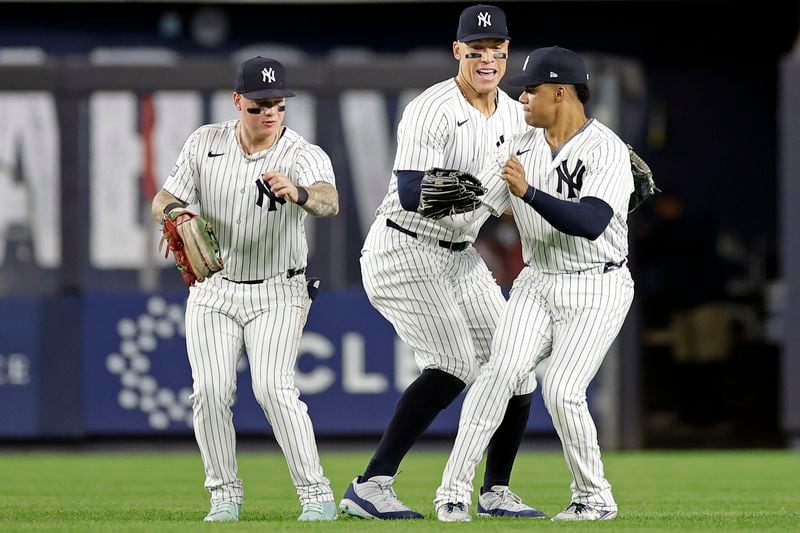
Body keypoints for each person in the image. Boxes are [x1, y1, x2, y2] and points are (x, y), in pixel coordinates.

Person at [338, 4, 545, 522]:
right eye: (475, 52)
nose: (486, 61)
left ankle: (495, 491)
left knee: (518, 372)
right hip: (404, 249)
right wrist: (453, 195)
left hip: (460, 256)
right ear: (458, 51)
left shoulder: (517, 114)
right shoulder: (431, 108)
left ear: (506, 53)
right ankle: (371, 485)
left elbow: (539, 168)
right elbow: (409, 191)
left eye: (495, 52)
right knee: (452, 364)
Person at [432, 45, 635, 521]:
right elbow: (481, 203)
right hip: (538, 281)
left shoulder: (606, 148)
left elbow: (590, 222)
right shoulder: (520, 146)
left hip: (596, 285)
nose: (521, 97)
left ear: (560, 92)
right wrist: (447, 205)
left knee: (562, 389)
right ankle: (454, 492)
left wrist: (529, 192)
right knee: (499, 374)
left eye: (531, 89)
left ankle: (594, 497)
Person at [150, 56, 339, 522]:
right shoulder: (205, 143)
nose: (269, 113)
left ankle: (317, 496)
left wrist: (297, 192)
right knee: (210, 390)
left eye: (277, 104)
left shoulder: (301, 153)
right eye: (258, 106)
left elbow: (329, 201)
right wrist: (176, 215)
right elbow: (162, 199)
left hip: (279, 290)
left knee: (273, 388)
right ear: (238, 102)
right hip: (214, 288)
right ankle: (224, 495)